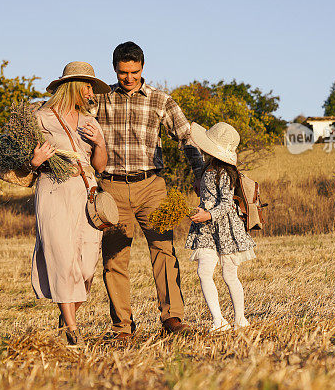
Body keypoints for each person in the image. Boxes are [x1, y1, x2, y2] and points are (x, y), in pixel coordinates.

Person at [95, 41, 205, 339]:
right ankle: (122, 327)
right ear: (114, 69)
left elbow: (186, 137)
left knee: (163, 250)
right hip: (111, 189)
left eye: (134, 71)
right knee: (115, 259)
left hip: (151, 187)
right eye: (122, 73)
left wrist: (199, 175)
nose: (129, 78)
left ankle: (172, 318)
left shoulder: (161, 101)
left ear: (143, 68)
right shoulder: (99, 100)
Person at [30, 61, 110, 345]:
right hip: (53, 190)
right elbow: (17, 162)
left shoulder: (90, 121)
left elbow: (99, 166)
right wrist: (36, 161)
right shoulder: (39, 118)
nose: (91, 92)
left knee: (87, 267)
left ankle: (65, 321)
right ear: (74, 87)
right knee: (63, 259)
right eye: (88, 86)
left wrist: (100, 143)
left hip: (86, 191)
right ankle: (74, 331)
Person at [186, 121, 256, 332]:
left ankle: (240, 319)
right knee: (204, 272)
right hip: (207, 229)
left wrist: (208, 214)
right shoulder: (208, 168)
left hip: (225, 228)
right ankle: (218, 320)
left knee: (229, 275)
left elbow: (226, 204)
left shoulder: (223, 173)